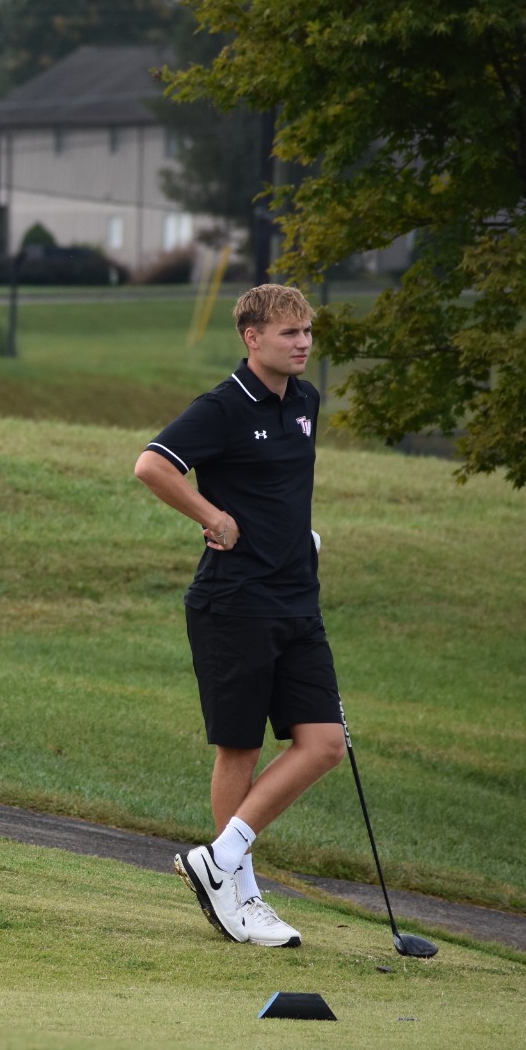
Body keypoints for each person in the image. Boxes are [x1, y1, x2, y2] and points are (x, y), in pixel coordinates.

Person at [133, 284, 345, 949]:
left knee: (324, 743)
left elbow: (284, 490)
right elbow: (152, 465)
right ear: (252, 338)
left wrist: (300, 539)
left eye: (307, 331)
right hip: (235, 601)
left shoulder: (307, 402)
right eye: (289, 333)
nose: (303, 343)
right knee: (242, 748)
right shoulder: (224, 407)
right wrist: (212, 516)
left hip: (296, 598)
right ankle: (239, 894)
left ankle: (219, 860)